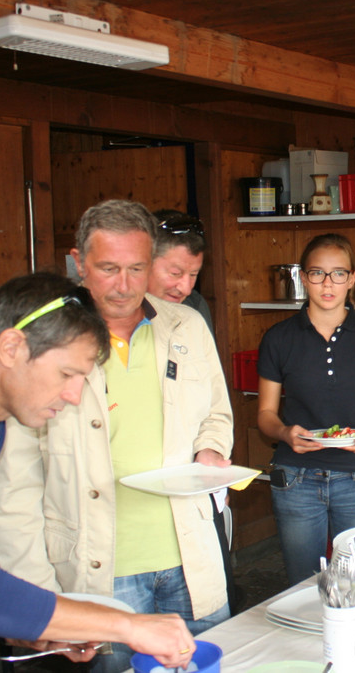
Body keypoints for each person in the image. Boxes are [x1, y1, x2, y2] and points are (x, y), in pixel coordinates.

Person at [0, 199, 234, 673]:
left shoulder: (186, 325)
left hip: (192, 560)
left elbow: (217, 413)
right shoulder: (40, 340)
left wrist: (210, 447)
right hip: (101, 574)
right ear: (78, 263)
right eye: (108, 269)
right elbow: (15, 485)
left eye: (136, 269)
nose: (124, 285)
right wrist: (37, 598)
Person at [0, 272, 196, 669]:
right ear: (11, 347)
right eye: (67, 374)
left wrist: (40, 625)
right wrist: (126, 625)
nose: (74, 396)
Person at [257, 233, 355, 585]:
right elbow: (265, 415)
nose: (327, 283)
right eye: (317, 273)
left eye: (338, 274)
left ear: (352, 279)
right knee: (304, 586)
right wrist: (284, 433)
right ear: (304, 278)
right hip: (297, 478)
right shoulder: (278, 337)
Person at [147, 208, 238, 614]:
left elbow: (216, 407)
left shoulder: (193, 317)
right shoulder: (93, 326)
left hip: (191, 508)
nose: (184, 286)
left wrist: (211, 448)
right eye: (175, 272)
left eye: (194, 275)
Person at [150, 209, 213, 335]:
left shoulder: (195, 306)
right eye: (175, 273)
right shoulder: (116, 315)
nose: (186, 290)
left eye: (193, 275)